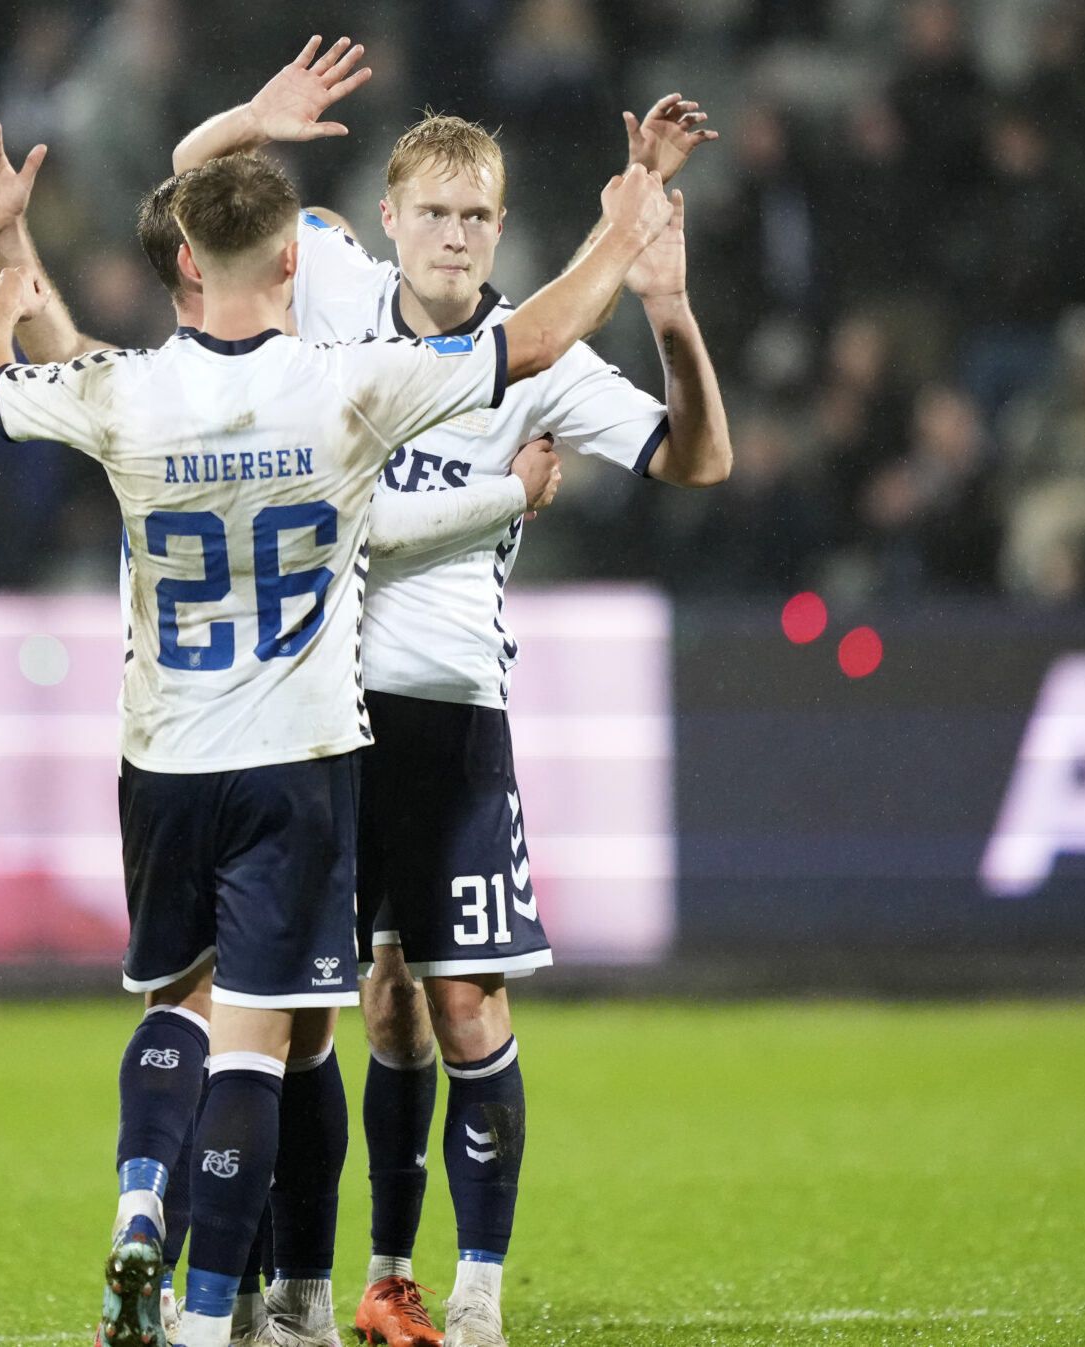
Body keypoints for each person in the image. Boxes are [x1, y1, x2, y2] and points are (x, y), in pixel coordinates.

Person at [0, 150, 670, 1347]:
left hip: (160, 758)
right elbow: (531, 341)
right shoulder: (346, 389)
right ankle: (202, 1324)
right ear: (293, 259)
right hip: (294, 758)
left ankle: (143, 1205)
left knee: (174, 1012)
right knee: (262, 1040)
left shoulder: (123, 390)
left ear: (183, 261)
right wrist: (621, 228)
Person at [173, 47, 733, 1347]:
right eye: (434, 213)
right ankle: (308, 1289)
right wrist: (246, 125)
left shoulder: (540, 357)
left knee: (462, 997)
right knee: (314, 1012)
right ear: (387, 220)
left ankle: (471, 1287)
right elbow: (193, 202)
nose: (456, 235)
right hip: (319, 714)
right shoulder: (333, 289)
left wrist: (669, 310)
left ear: (500, 222)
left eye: (478, 214)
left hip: (456, 716)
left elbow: (700, 457)